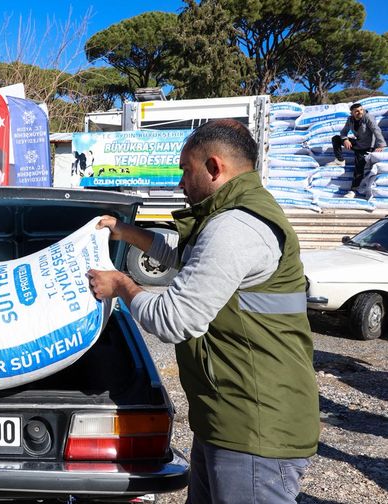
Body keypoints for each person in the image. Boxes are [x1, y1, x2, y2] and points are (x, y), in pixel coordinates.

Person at [86, 120, 319, 504]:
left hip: (256, 426)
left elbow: (173, 320)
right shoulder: (232, 217)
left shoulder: (236, 226)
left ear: (214, 168)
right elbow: (187, 257)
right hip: (228, 415)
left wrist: (122, 285)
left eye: (185, 170)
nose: (180, 182)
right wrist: (126, 232)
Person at [326, 102, 386, 198]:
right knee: (336, 138)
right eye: (357, 111)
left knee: (359, 168)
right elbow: (343, 132)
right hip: (358, 143)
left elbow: (376, 130)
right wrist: (345, 139)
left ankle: (353, 191)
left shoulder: (368, 117)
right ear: (352, 113)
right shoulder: (350, 120)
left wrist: (380, 145)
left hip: (367, 147)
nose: (360, 112)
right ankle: (340, 160)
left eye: (361, 110)